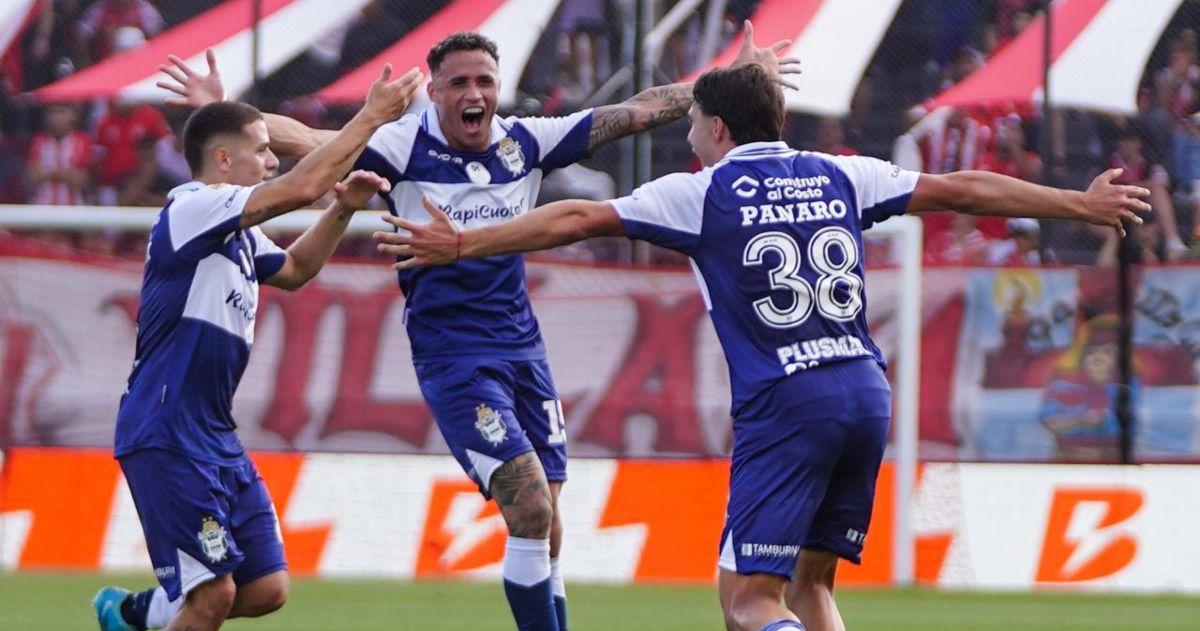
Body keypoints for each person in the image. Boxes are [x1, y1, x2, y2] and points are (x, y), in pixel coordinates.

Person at [373, 63, 1151, 631]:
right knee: (813, 588)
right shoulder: (842, 173)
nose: (688, 139)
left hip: (788, 404)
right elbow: (963, 189)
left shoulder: (701, 189)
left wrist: (465, 242)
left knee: (747, 601)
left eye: (692, 128)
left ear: (716, 129)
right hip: (865, 392)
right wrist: (1075, 203)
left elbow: (577, 220)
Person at [156, 23, 798, 631]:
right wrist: (224, 113)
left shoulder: (527, 141)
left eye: (484, 81)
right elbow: (302, 139)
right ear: (433, 92)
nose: (474, 94)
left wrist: (731, 81)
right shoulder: (404, 146)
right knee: (529, 507)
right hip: (453, 357)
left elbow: (638, 109)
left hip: (523, 351)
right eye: (459, 83)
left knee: (548, 526)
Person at [92, 64, 423, 631]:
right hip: (168, 428)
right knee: (214, 597)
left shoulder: (236, 230)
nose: (272, 161)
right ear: (223, 161)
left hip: (212, 432)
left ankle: (144, 613)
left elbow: (295, 269)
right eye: (263, 150)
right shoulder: (193, 205)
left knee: (266, 588)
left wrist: (343, 208)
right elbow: (300, 187)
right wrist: (370, 117)